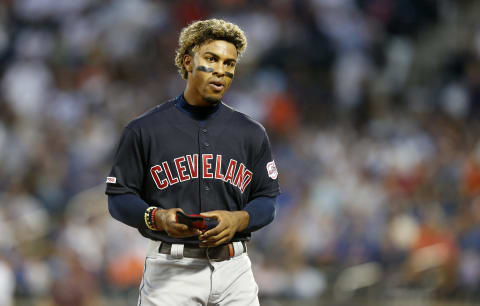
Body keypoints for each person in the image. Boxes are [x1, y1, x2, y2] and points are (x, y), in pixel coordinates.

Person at [105, 18, 280, 305]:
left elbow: (267, 201)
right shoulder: (144, 129)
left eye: (229, 63)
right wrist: (157, 217)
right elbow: (119, 198)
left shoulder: (251, 132)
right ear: (188, 62)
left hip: (235, 270)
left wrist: (239, 219)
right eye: (212, 59)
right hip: (172, 271)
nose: (221, 71)